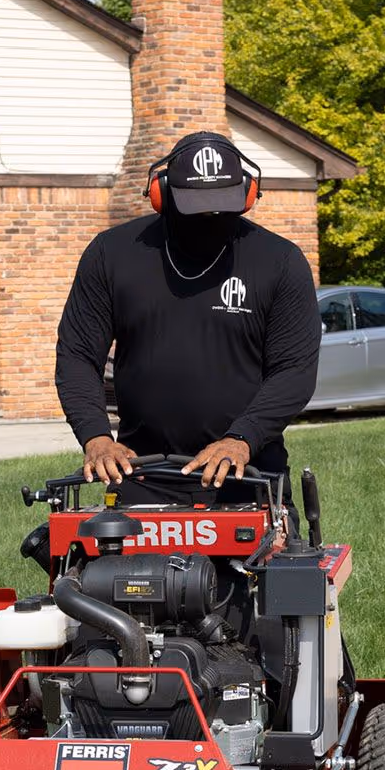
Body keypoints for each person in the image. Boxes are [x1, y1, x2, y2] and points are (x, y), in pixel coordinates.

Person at [54, 131, 321, 497]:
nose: (211, 217)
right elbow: (78, 355)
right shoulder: (111, 255)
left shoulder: (280, 262)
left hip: (248, 473)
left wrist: (241, 439)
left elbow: (294, 371)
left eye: (222, 204)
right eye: (198, 207)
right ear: (160, 195)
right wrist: (96, 436)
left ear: (247, 193)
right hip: (144, 474)